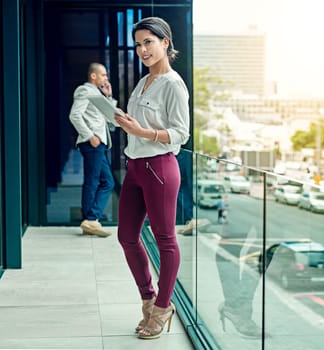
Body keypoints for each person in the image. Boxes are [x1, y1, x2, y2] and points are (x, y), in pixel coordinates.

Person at [114, 17, 190, 339]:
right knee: (127, 236)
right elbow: (141, 125)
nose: (143, 49)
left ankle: (163, 307)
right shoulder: (143, 82)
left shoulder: (173, 83)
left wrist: (141, 131)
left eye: (148, 42)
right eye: (138, 44)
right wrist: (125, 121)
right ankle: (147, 298)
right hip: (135, 167)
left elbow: (180, 133)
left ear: (165, 43)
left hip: (159, 168)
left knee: (165, 239)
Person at [69, 63, 115, 237]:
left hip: (100, 144)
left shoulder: (98, 94)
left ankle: (90, 219)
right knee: (94, 181)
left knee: (106, 182)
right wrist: (90, 136)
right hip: (92, 143)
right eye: (103, 75)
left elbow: (110, 120)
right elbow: (74, 115)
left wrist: (109, 98)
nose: (106, 78)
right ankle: (90, 218)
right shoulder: (84, 90)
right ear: (93, 76)